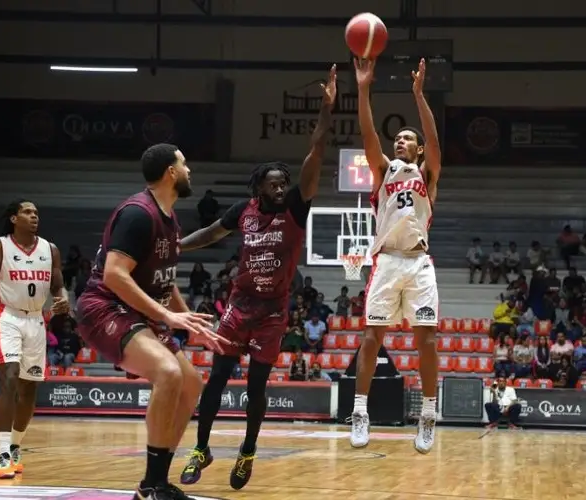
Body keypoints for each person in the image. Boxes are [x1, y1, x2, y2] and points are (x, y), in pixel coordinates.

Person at [176, 65, 336, 490]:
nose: (282, 186)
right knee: (215, 381)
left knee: (256, 387)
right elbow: (211, 233)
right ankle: (201, 448)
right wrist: (177, 247)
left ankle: (247, 452)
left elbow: (316, 153)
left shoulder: (296, 209)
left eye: (285, 181)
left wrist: (326, 110)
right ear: (259, 188)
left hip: (272, 313)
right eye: (274, 183)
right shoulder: (243, 212)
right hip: (239, 307)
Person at [75, 143, 226, 500]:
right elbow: (114, 274)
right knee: (169, 372)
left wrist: (185, 317)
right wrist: (165, 315)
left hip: (139, 313)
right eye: (185, 165)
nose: (190, 171)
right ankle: (152, 485)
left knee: (191, 385)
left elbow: (164, 277)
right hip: (104, 308)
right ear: (171, 172)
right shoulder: (137, 214)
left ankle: (154, 484)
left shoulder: (170, 217)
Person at [349, 58, 441, 454]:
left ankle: (429, 414)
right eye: (398, 138)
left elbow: (436, 144)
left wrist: (419, 95)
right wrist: (364, 87)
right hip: (386, 261)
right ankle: (359, 411)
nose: (400, 141)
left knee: (428, 342)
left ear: (418, 149)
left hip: (419, 262)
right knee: (372, 339)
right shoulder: (383, 171)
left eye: (408, 138)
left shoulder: (428, 174)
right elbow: (368, 131)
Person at [0, 199, 69, 479]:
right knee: (8, 378)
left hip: (36, 320)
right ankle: (2, 453)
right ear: (13, 218)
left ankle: (15, 446)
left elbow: (58, 286)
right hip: (6, 316)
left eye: (36, 212)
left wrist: (63, 300)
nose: (34, 216)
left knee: (29, 390)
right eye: (27, 212)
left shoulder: (50, 250)